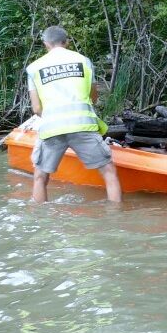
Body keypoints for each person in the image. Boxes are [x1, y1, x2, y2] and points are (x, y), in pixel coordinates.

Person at [26, 26, 122, 203]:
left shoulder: (34, 68)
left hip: (52, 128)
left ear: (45, 44)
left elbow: (37, 108)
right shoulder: (83, 61)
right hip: (82, 125)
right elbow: (93, 97)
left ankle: (38, 221)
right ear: (67, 42)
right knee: (109, 172)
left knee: (40, 177)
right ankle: (115, 218)